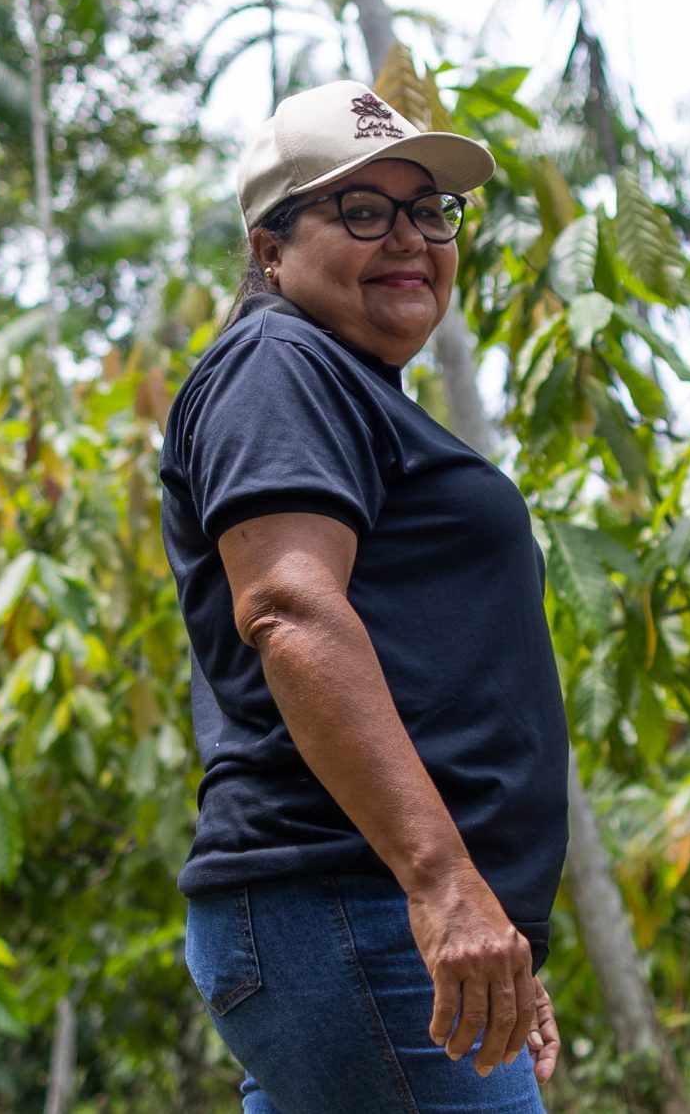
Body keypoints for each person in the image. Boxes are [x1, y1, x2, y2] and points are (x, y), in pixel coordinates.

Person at [160, 79, 571, 1113]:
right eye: (360, 210)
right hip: (351, 905)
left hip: (355, 918)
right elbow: (289, 613)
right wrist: (442, 891)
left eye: (428, 210)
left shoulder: (342, 387)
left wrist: (498, 925)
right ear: (269, 250)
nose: (408, 238)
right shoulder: (277, 362)